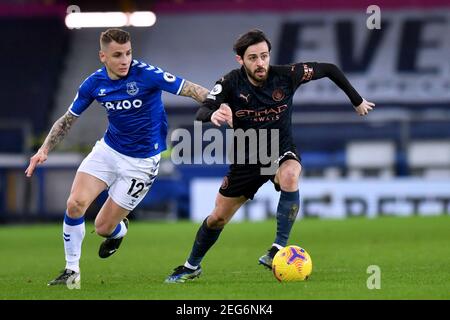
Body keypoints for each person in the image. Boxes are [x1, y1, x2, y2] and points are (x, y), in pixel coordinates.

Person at [165, 29, 375, 283]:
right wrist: (212, 115)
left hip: (280, 148)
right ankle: (191, 266)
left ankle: (277, 248)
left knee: (290, 174)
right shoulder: (230, 82)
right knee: (218, 217)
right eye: (253, 58)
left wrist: (357, 100)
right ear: (240, 60)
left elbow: (329, 69)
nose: (260, 63)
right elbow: (203, 110)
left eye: (264, 56)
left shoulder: (286, 76)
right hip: (247, 158)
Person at [25, 28, 210, 286]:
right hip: (108, 151)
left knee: (103, 228)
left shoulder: (146, 74)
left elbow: (190, 89)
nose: (125, 60)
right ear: (103, 56)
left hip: (142, 163)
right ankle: (71, 271)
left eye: (128, 53)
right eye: (117, 55)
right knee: (75, 203)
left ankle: (119, 230)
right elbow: (67, 120)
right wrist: (44, 150)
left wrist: (220, 104)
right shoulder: (93, 84)